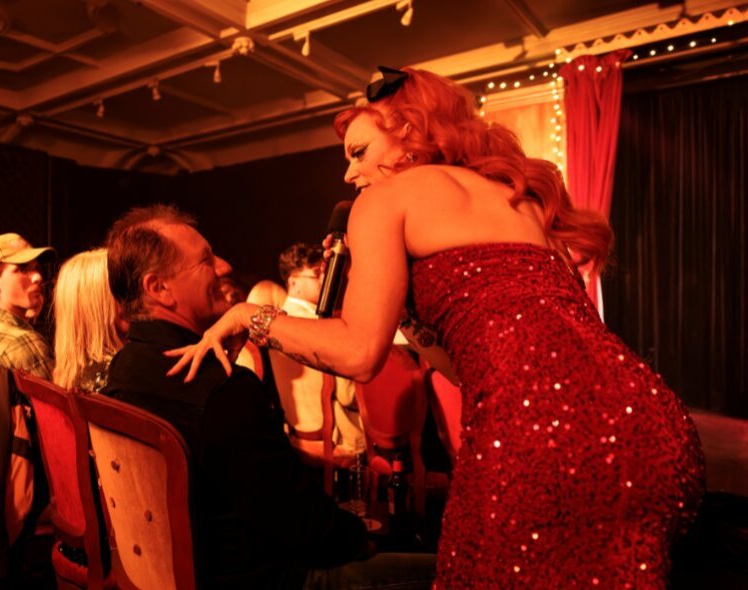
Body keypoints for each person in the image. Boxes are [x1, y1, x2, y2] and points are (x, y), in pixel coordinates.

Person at [168, 67, 706, 588]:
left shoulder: (384, 199)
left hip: (541, 441)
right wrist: (400, 302)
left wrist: (251, 317)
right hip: (653, 425)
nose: (349, 174)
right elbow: (463, 366)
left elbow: (358, 354)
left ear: (409, 136)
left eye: (359, 153)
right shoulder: (520, 197)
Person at [104, 204, 435, 590]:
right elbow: (301, 525)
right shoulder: (221, 387)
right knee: (452, 568)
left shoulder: (124, 368)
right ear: (158, 288)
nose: (225, 267)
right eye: (206, 260)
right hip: (270, 577)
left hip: (179, 574)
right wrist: (363, 536)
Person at [274, 243, 364, 454]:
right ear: (294, 283)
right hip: (339, 439)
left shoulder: (275, 324)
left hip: (299, 434)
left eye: (325, 272)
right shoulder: (316, 327)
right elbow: (348, 395)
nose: (325, 279)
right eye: (316, 274)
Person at [0, 232, 55, 379]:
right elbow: (59, 402)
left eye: (35, 268)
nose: (38, 276)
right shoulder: (22, 343)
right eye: (23, 269)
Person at [52, 248, 126, 392]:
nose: (134, 300)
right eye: (122, 290)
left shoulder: (74, 373)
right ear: (97, 306)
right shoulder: (118, 375)